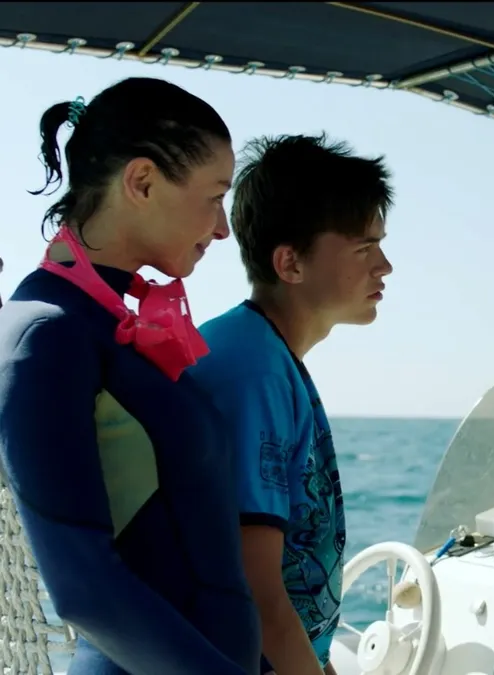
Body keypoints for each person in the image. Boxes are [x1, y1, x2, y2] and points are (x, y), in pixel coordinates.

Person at [0, 78, 261, 673]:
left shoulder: (103, 323)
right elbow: (83, 591)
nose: (223, 227)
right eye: (214, 196)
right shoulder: (45, 334)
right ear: (142, 182)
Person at [188, 134, 394, 675]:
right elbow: (257, 591)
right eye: (364, 248)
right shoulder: (251, 372)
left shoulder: (267, 356)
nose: (385, 266)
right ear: (290, 263)